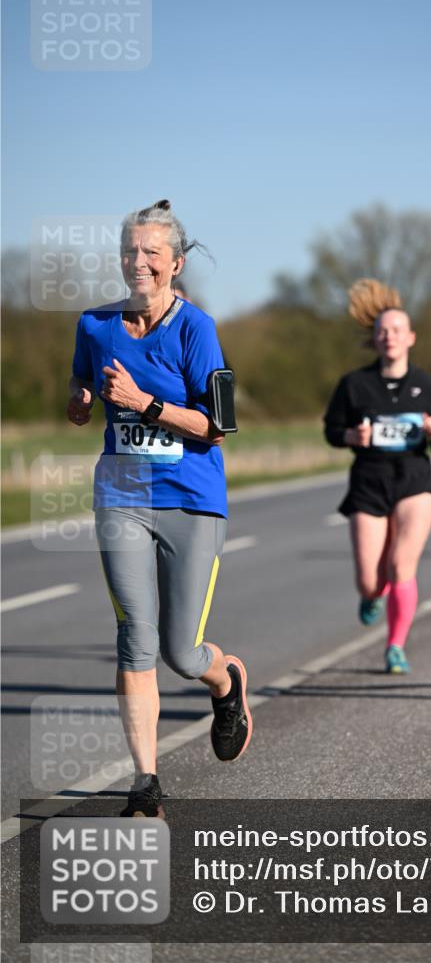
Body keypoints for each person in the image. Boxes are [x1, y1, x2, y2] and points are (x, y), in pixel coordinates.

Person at [67, 199, 252, 816]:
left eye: (152, 252)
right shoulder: (94, 324)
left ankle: (225, 682)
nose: (139, 262)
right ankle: (144, 785)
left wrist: (147, 404)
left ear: (174, 262)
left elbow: (219, 427)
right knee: (133, 640)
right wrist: (81, 398)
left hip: (191, 499)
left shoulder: (196, 328)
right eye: (130, 251)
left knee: (181, 651)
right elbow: (81, 390)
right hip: (120, 496)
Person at [324, 279, 431, 673]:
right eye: (383, 331)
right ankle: (372, 595)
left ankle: (395, 645)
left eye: (397, 330)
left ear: (410, 337)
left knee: (402, 565)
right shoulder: (355, 385)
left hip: (414, 481)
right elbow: (331, 431)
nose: (390, 336)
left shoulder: (425, 387)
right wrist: (351, 435)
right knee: (370, 580)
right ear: (375, 339)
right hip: (369, 482)